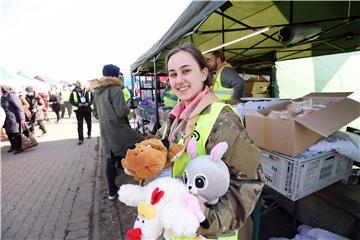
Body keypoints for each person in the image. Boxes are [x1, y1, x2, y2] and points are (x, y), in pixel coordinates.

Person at [155, 43, 264, 239]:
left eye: (186, 71)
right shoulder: (178, 117)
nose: (178, 80)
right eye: (173, 74)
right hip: (179, 230)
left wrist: (206, 219)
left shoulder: (223, 120)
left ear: (204, 73)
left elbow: (248, 181)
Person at [90, 64, 144, 200]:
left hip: (106, 130)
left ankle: (112, 191)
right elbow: (121, 112)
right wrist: (129, 105)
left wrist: (105, 116)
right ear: (115, 74)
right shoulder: (115, 89)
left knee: (110, 158)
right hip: (119, 129)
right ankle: (142, 182)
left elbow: (95, 113)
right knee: (139, 145)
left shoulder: (97, 91)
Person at [1, 85, 27, 154]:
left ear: (3, 89)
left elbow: (19, 107)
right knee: (9, 133)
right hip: (6, 118)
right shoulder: (3, 97)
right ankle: (13, 146)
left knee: (15, 133)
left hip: (14, 118)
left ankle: (19, 147)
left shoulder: (11, 95)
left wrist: (22, 118)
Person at [69, 80, 93, 145]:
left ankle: (89, 133)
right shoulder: (74, 91)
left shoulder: (88, 91)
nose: (80, 85)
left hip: (87, 109)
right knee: (80, 125)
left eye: (81, 84)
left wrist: (88, 103)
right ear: (77, 84)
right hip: (79, 110)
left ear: (83, 84)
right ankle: (80, 139)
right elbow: (71, 100)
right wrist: (77, 104)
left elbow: (93, 99)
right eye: (78, 84)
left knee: (89, 123)